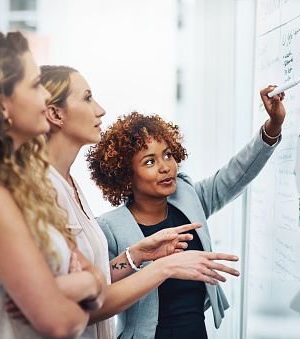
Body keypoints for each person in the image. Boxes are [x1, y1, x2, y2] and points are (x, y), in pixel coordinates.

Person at [38, 65, 242, 338]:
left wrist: (136, 256)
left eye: (168, 155)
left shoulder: (71, 186)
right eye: (87, 98)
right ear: (55, 114)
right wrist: (163, 267)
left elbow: (95, 280)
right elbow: (74, 303)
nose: (100, 110)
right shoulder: (42, 192)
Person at [86, 85, 286, 338]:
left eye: (168, 155)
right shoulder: (109, 227)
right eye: (150, 161)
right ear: (125, 174)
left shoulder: (188, 197)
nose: (165, 167)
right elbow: (102, 285)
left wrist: (273, 127)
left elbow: (236, 173)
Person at [0, 31, 106, 338]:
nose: (44, 96)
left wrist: (87, 283)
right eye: (33, 86)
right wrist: (84, 292)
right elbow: (59, 322)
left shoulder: (21, 187)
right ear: (2, 105)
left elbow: (95, 275)